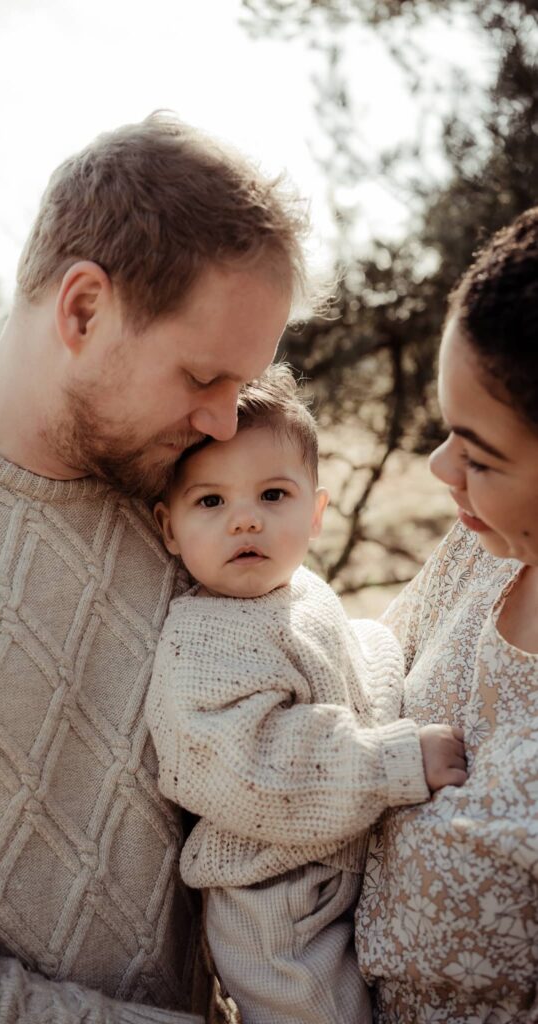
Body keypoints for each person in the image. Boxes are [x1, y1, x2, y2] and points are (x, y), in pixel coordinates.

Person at [0, 114, 311, 1022]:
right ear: (83, 308)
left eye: (242, 386)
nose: (225, 423)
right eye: (201, 378)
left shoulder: (200, 502)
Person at [146, 364, 467, 1024]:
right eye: (210, 502)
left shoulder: (300, 593)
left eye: (271, 495)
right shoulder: (200, 643)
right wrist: (396, 761)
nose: (244, 521)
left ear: (315, 511)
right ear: (169, 527)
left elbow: (355, 661)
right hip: (274, 905)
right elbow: (254, 767)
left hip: (329, 868)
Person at [355, 206, 538, 1023]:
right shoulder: (475, 552)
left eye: (479, 453)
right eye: (443, 429)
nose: (438, 468)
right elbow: (349, 681)